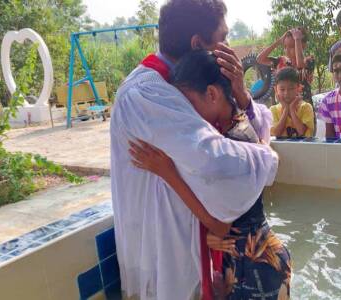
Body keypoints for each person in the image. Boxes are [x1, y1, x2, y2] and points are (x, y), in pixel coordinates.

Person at [110, 1, 279, 299]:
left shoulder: (196, 82)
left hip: (216, 242)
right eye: (223, 38)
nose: (228, 46)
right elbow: (214, 160)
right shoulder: (147, 92)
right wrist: (267, 156)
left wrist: (240, 92)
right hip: (167, 246)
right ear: (198, 44)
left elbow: (255, 130)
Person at [130, 50, 291, 299]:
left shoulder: (228, 146)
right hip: (258, 256)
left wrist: (167, 172)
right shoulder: (238, 124)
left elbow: (220, 225)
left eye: (189, 104)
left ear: (212, 94)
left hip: (253, 265)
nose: (186, 114)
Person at [256, 27, 315, 105]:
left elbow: (300, 64)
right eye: (285, 47)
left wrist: (297, 39)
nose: (287, 50)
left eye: (291, 47)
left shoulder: (309, 61)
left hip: (303, 111)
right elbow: (259, 59)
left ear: (303, 46)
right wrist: (278, 42)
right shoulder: (281, 61)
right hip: (283, 112)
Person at [270, 67, 315, 138]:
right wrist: (285, 110)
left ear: (299, 88)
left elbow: (301, 132)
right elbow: (276, 133)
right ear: (276, 89)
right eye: (282, 89)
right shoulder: (273, 110)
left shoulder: (306, 107)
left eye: (291, 89)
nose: (286, 93)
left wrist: (292, 110)